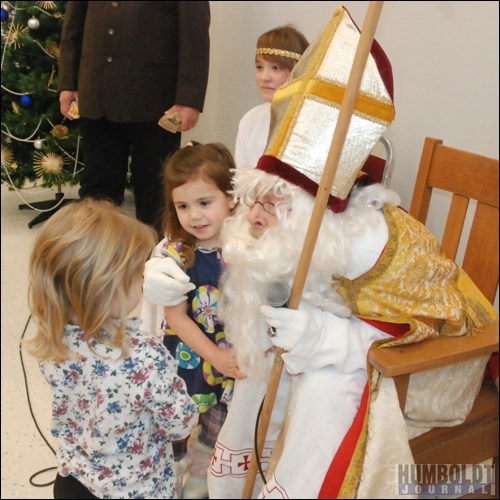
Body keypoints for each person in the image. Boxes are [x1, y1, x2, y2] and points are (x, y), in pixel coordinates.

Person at [144, 6, 498, 499]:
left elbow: (418, 328)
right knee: (261, 358)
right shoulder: (296, 229)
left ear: (311, 210)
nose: (257, 216)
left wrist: (319, 334)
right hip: (347, 337)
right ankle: (231, 480)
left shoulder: (371, 247)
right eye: (257, 198)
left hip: (422, 367)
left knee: (321, 389)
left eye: (272, 203)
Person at [26, 198, 199, 499]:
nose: (144, 278)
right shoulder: (143, 355)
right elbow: (179, 422)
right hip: (137, 489)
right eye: (137, 273)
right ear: (107, 288)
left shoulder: (53, 338)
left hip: (74, 481)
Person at [142, 142, 246, 498]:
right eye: (183, 206)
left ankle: (200, 483)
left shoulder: (247, 247)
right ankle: (169, 474)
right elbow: (176, 317)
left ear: (231, 197)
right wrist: (214, 356)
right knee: (178, 428)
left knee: (216, 431)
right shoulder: (177, 253)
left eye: (205, 203)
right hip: (189, 360)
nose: (194, 216)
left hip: (231, 364)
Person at [58, 2, 210, 232]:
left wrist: (189, 99)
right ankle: (99, 262)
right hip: (97, 91)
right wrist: (68, 82)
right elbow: (73, 23)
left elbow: (195, 34)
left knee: (156, 193)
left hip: (157, 101)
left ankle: (157, 263)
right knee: (97, 191)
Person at [234, 25, 309, 169]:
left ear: (299, 71)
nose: (264, 77)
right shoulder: (250, 121)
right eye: (259, 67)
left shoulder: (311, 123)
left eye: (275, 68)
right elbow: (241, 179)